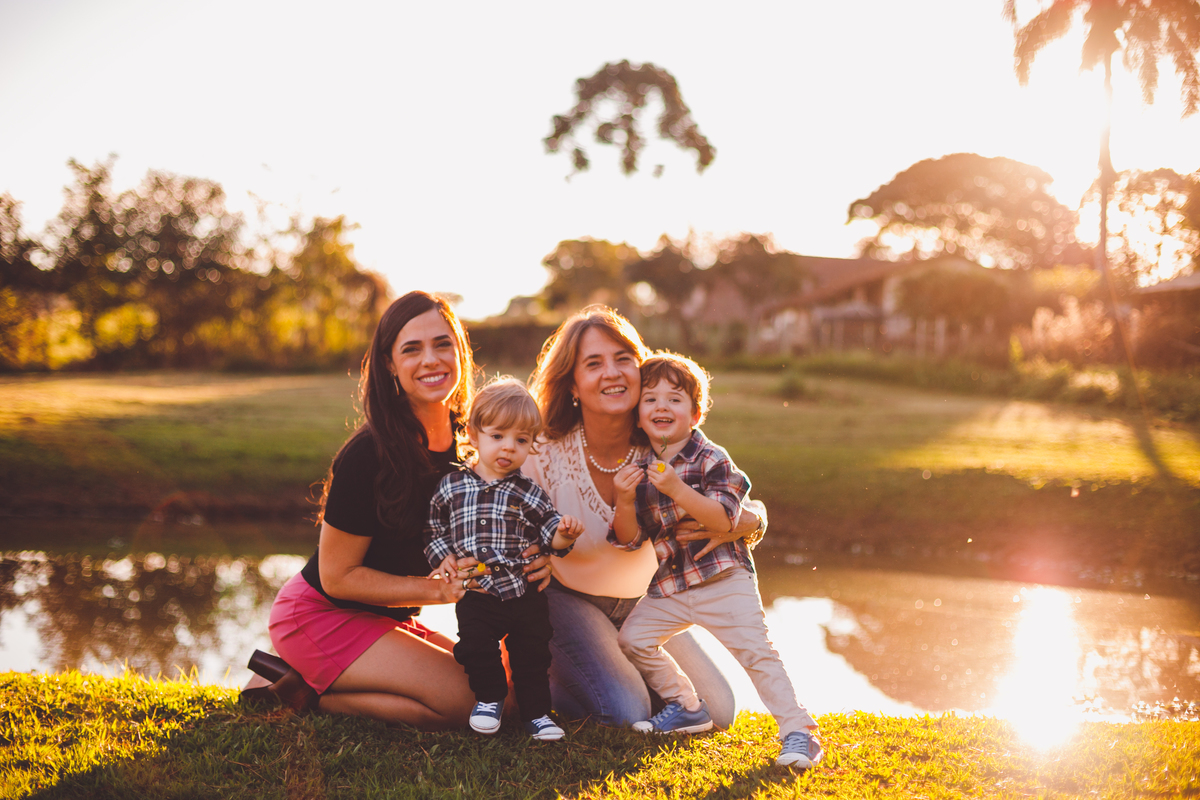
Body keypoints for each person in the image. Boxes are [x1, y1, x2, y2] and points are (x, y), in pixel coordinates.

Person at [260, 290, 550, 729]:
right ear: (390, 365)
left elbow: (506, 516)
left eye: (442, 343)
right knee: (472, 707)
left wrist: (541, 554)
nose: (431, 359)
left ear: (460, 350)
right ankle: (304, 692)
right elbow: (338, 576)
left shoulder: (472, 443)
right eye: (411, 349)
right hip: (320, 615)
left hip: (386, 617)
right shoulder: (367, 455)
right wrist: (435, 591)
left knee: (506, 696)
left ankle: (313, 682)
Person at [521, 305, 767, 728]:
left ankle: (619, 668)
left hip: (647, 599)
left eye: (623, 359)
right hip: (566, 598)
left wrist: (751, 521)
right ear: (573, 384)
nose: (612, 373)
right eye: (594, 364)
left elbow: (732, 488)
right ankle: (548, 673)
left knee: (719, 709)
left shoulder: (664, 439)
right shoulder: (544, 449)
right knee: (624, 711)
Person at [610, 352, 822, 769]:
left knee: (757, 653)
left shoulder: (711, 458)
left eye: (674, 399)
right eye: (650, 400)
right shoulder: (636, 464)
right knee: (633, 639)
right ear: (637, 415)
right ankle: (687, 706)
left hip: (724, 578)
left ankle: (799, 732)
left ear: (696, 411)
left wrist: (676, 489)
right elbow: (630, 539)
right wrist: (621, 499)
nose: (661, 408)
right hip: (671, 584)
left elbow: (726, 518)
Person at [425, 378, 584, 741]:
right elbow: (434, 528)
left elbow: (549, 535)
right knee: (475, 646)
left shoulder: (529, 492)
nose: (508, 448)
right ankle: (490, 697)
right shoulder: (451, 486)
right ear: (473, 433)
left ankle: (538, 714)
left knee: (532, 655)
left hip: (523, 591)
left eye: (521, 440)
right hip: (477, 592)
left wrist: (565, 535)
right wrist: (444, 557)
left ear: (531, 444)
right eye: (498, 436)